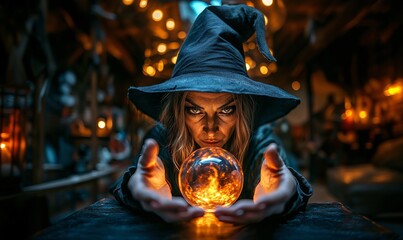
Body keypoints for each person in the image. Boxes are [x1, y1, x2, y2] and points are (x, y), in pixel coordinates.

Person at [110, 4, 312, 225]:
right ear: (179, 111)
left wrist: (285, 191)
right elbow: (136, 180)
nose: (211, 127)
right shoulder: (161, 141)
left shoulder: (259, 140)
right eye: (194, 110)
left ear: (242, 110)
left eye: (226, 109)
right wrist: (137, 189)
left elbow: (280, 176)